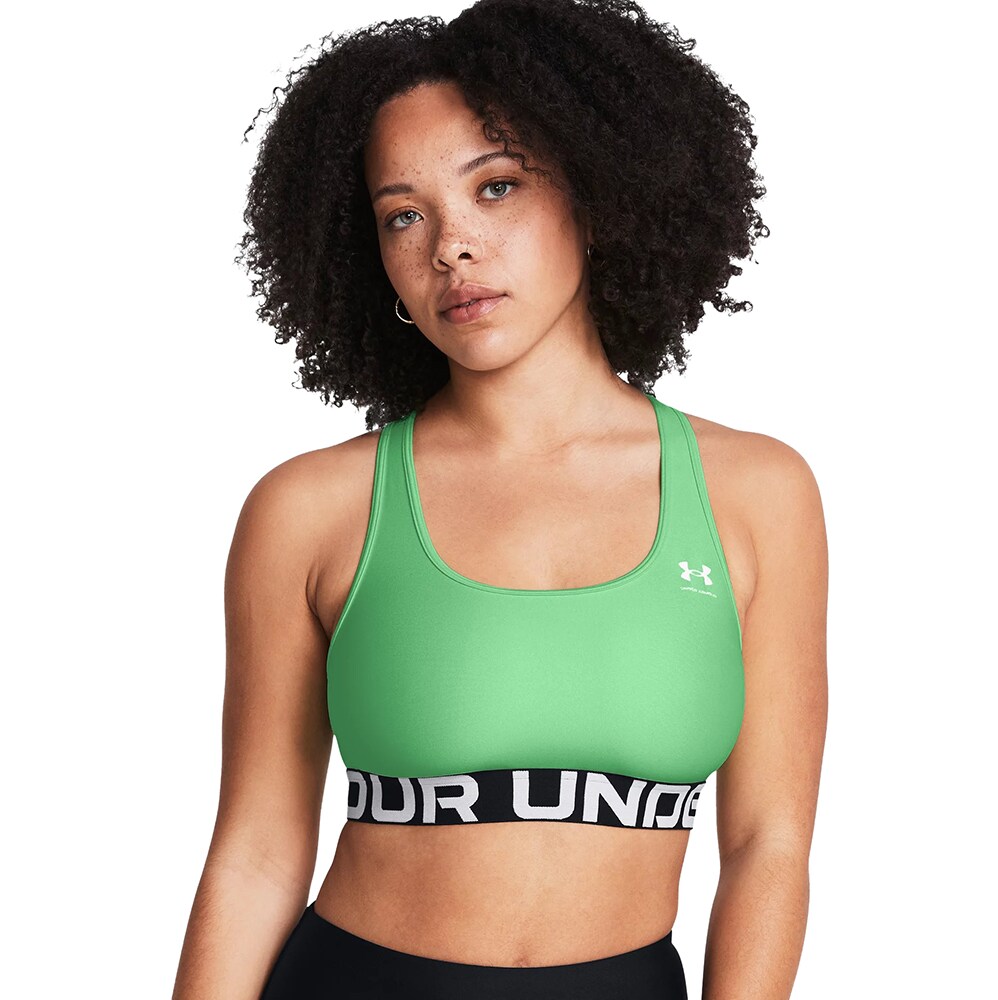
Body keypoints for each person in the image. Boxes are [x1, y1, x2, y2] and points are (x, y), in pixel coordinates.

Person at [172, 0, 828, 996]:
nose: (451, 247)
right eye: (404, 214)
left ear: (598, 194)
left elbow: (768, 843)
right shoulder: (308, 509)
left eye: (497, 187)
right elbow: (255, 854)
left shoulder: (757, 493)